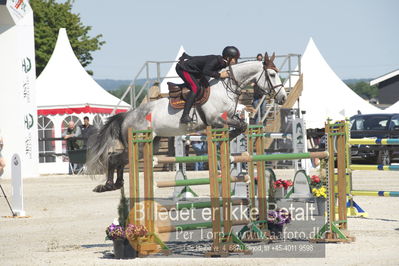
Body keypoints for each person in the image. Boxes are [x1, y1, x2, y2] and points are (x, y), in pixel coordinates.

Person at [175, 46, 241, 124]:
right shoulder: (216, 60)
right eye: (235, 59)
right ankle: (184, 116)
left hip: (195, 70)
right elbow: (206, 71)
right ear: (228, 58)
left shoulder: (224, 63)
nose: (236, 61)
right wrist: (219, 75)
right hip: (183, 68)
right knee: (195, 87)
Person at [252, 53, 266, 124]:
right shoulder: (255, 68)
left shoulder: (263, 68)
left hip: (262, 95)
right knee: (257, 113)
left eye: (260, 59)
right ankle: (257, 127)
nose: (259, 60)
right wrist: (253, 82)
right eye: (258, 59)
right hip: (256, 96)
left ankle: (263, 126)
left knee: (263, 112)